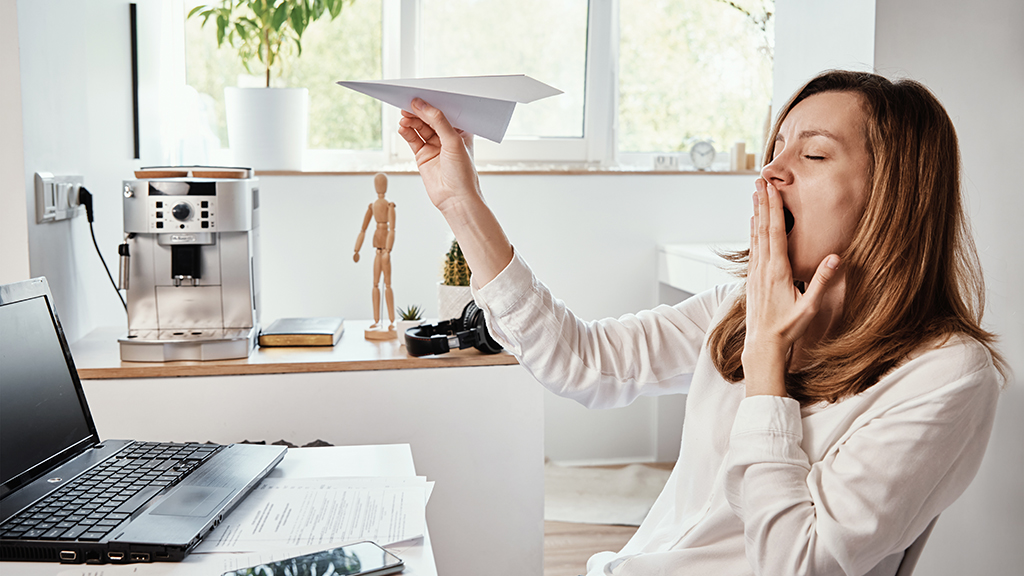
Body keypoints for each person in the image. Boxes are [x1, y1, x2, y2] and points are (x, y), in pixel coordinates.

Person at [397, 69, 1005, 575]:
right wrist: (459, 201)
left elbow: (798, 562)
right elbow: (584, 363)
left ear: (893, 196)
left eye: (814, 153)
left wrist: (768, 362)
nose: (771, 172)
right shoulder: (738, 307)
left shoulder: (947, 375)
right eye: (776, 149)